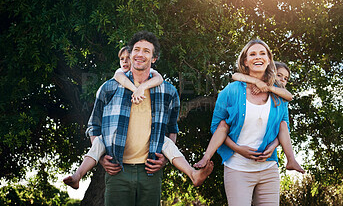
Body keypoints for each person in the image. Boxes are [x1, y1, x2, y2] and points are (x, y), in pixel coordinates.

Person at [63, 46, 213, 191]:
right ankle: (78, 175)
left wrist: (142, 87)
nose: (125, 62)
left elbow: (158, 78)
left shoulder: (154, 78)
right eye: (122, 59)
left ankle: (193, 174)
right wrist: (136, 90)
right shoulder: (115, 79)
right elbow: (94, 125)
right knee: (97, 145)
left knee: (169, 145)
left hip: (149, 151)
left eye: (128, 58)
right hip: (115, 146)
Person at [83, 31, 204, 206]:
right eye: (137, 50)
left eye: (146, 51)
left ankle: (192, 174)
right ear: (130, 54)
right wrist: (101, 158)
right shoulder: (108, 88)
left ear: (154, 58)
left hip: (150, 172)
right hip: (117, 171)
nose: (140, 54)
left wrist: (163, 159)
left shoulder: (168, 91)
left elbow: (172, 130)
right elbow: (94, 126)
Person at [202, 39, 290, 205]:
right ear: (245, 61)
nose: (258, 57)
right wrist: (238, 149)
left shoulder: (278, 93)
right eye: (253, 54)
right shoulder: (230, 91)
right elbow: (217, 127)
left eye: (263, 53)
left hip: (268, 169)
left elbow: (284, 127)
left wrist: (272, 146)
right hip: (237, 168)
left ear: (269, 59)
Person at [195, 61, 304, 174]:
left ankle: (291, 159)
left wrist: (273, 145)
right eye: (279, 75)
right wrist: (259, 83)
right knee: (223, 125)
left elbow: (289, 98)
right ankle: (206, 156)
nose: (282, 80)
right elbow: (236, 76)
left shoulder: (280, 99)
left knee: (283, 124)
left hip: (267, 162)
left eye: (286, 78)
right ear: (269, 73)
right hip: (237, 159)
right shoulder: (248, 87)